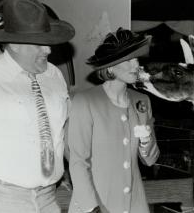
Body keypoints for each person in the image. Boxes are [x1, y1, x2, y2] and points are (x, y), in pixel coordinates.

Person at [0, 0, 75, 212]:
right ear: (14, 44)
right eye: (39, 44)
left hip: (48, 197)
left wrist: (74, 174)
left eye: (48, 42)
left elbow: (63, 131)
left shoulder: (54, 75)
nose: (48, 50)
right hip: (0, 198)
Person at [68, 28, 160, 213]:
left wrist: (146, 141)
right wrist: (91, 208)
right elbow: (78, 161)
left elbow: (150, 160)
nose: (136, 66)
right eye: (128, 60)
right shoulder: (85, 101)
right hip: (97, 203)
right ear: (110, 67)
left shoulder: (142, 101)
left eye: (137, 59)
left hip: (135, 204)